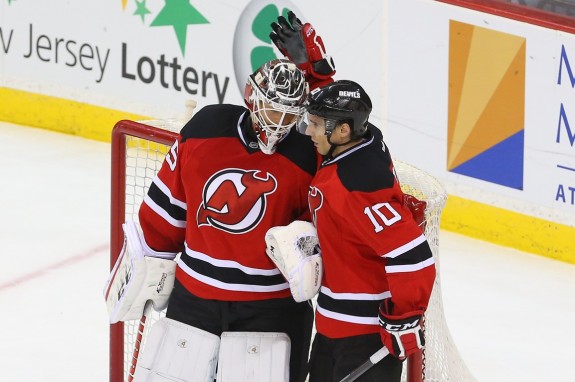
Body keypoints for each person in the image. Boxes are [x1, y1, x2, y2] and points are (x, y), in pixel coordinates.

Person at [297, 80, 437, 382]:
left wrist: (403, 317)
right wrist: (318, 75)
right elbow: (344, 111)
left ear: (343, 130)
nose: (309, 131)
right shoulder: (367, 139)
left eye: (317, 125)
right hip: (331, 328)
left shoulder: (357, 186)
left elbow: (413, 256)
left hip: (363, 338)